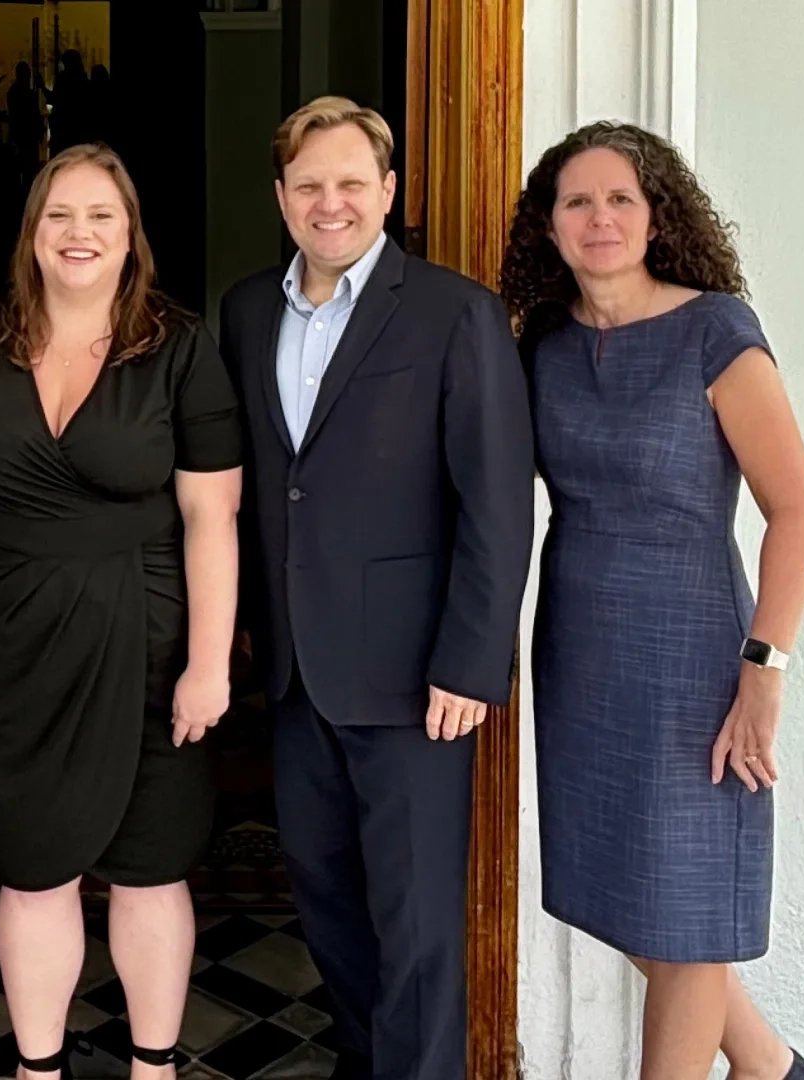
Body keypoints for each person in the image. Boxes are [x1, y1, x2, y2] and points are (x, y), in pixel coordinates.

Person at [217, 96, 534, 1080]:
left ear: (389, 191)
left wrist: (471, 664)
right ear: (279, 197)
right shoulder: (245, 311)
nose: (331, 202)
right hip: (295, 672)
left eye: (353, 182)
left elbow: (497, 503)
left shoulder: (455, 313)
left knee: (420, 928)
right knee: (323, 901)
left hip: (415, 681)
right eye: (309, 184)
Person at [500, 122, 804, 1080]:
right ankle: (773, 1068)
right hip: (582, 649)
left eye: (620, 199)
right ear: (547, 228)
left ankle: (755, 1069)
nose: (600, 218)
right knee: (628, 896)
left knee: (683, 912)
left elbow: (796, 508)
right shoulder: (543, 349)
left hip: (693, 652)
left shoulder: (714, 329)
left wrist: (763, 672)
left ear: (657, 215)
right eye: (576, 202)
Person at [0, 143, 244, 1080]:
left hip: (147, 632)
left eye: (102, 215)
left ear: (130, 234)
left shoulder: (181, 349)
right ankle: (37, 1068)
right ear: (32, 233)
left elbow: (211, 514)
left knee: (150, 866)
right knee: (32, 868)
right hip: (9, 633)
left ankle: (153, 1068)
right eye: (60, 214)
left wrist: (211, 661)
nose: (79, 234)